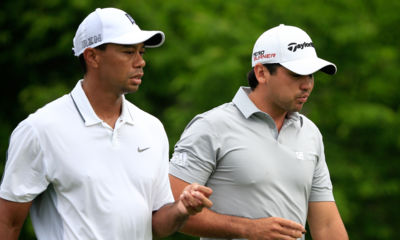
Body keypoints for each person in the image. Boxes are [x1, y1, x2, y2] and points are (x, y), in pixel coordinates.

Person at [0, 7, 212, 240]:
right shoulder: (40, 129)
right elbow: (7, 223)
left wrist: (181, 209)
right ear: (92, 57)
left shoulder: (151, 128)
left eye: (141, 52)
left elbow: (156, 225)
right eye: (128, 52)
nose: (140, 62)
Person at [169, 24, 348, 240]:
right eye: (296, 74)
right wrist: (246, 229)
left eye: (311, 75)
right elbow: (171, 209)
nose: (307, 85)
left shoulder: (310, 133)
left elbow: (327, 225)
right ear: (261, 72)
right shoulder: (211, 126)